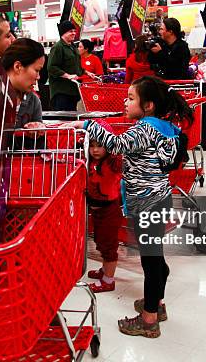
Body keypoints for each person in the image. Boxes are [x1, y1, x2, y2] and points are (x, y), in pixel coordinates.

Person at [64, 76, 194, 338]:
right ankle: (156, 304)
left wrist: (88, 123)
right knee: (154, 256)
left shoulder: (145, 128)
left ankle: (148, 319)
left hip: (147, 203)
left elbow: (116, 145)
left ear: (147, 105)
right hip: (159, 198)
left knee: (151, 260)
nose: (125, 101)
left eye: (131, 98)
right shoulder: (165, 126)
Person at [86, 120, 124, 294]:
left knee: (109, 246)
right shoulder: (90, 161)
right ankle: (104, 270)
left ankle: (109, 280)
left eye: (100, 145)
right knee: (100, 241)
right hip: (97, 211)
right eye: (92, 145)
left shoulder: (113, 162)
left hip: (110, 210)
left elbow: (120, 152)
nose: (95, 149)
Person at [2, 38, 46, 149]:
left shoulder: (33, 102)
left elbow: (39, 148)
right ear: (18, 67)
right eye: (37, 70)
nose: (38, 77)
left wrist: (38, 129)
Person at [48, 20, 92, 110]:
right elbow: (51, 67)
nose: (73, 33)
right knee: (63, 119)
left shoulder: (73, 46)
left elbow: (76, 66)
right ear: (63, 33)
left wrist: (87, 72)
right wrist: (68, 76)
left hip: (73, 91)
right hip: (61, 92)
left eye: (74, 31)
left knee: (71, 119)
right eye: (70, 31)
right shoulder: (58, 47)